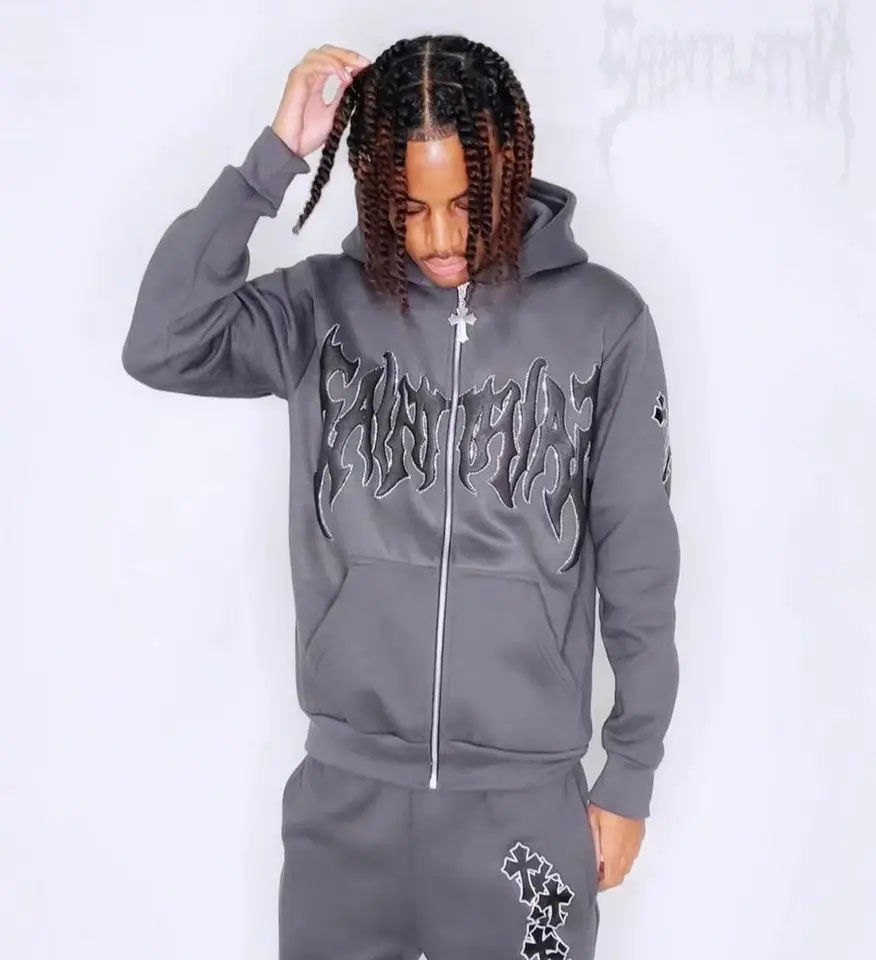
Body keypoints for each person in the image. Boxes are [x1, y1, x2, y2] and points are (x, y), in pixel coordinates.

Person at [121, 33, 680, 960]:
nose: (439, 238)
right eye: (408, 209)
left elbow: (640, 563)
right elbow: (163, 342)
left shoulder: (605, 323)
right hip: (345, 813)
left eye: (467, 202)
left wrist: (630, 773)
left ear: (511, 163)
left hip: (523, 817)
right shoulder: (317, 308)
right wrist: (274, 160)